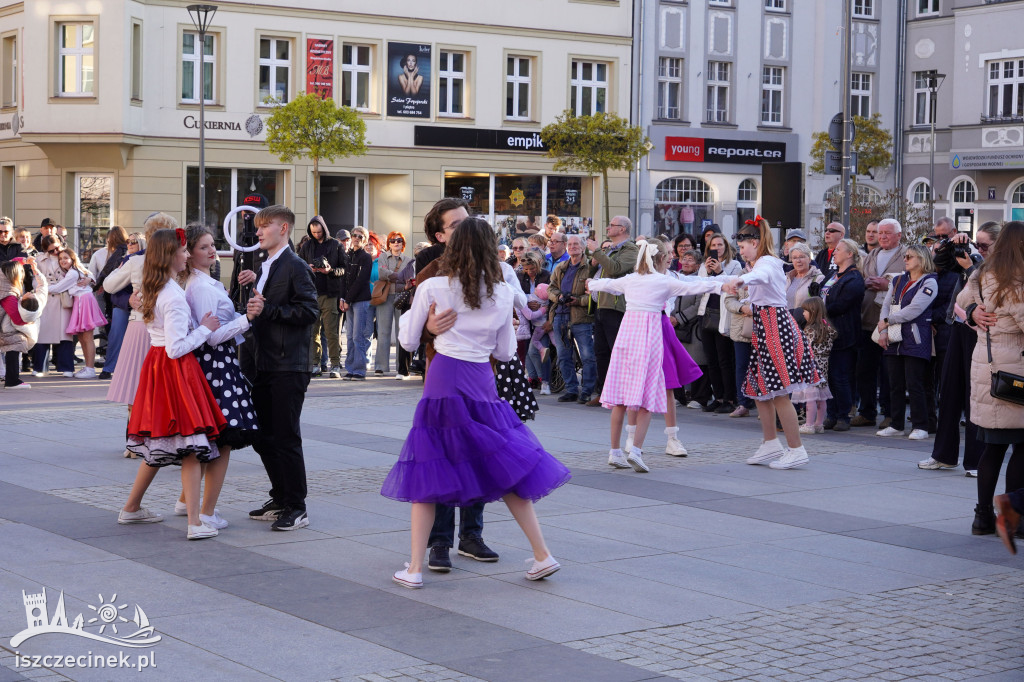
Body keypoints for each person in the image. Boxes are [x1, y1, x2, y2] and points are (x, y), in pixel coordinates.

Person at [382, 217, 570, 589]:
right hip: (484, 383)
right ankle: (542, 554)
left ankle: (416, 568)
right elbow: (504, 350)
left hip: (444, 380)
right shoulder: (502, 292)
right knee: (505, 467)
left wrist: (427, 327)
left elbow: (405, 342)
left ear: (453, 247)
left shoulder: (434, 286)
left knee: (429, 469)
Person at [120, 228, 226, 539]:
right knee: (192, 445)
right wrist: (205, 328)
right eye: (183, 251)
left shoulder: (155, 288)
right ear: (170, 256)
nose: (187, 255)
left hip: (157, 367)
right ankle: (194, 523)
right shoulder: (171, 295)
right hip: (175, 370)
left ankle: (132, 508)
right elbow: (177, 347)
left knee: (160, 441)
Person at [587, 240, 722, 473]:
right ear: (659, 260)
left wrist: (592, 283)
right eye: (667, 255)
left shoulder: (631, 279)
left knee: (620, 398)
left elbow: (606, 284)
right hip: (648, 339)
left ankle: (615, 451)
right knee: (647, 398)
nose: (671, 258)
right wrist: (725, 283)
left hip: (626, 339)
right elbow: (696, 286)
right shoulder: (662, 281)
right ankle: (637, 451)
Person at [237, 205, 319, 531]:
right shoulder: (267, 265)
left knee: (285, 437)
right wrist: (254, 290)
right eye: (257, 227)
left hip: (288, 365)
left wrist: (268, 309)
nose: (258, 232)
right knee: (262, 436)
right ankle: (281, 496)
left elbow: (309, 311)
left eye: (264, 226)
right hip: (264, 363)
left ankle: (296, 506)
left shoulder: (296, 265)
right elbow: (264, 309)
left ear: (283, 228)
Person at [722, 218, 820, 470]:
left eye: (742, 247)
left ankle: (796, 449)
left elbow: (759, 276)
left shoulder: (767, 263)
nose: (740, 251)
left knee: (778, 393)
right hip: (765, 328)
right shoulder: (759, 263)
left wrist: (741, 281)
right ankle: (770, 443)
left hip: (775, 328)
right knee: (760, 389)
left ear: (754, 243)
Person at [183, 224, 260, 529]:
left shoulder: (203, 282)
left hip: (216, 363)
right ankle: (206, 511)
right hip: (215, 364)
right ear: (189, 254)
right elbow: (212, 337)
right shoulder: (200, 286)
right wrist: (247, 319)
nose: (212, 250)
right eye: (204, 247)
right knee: (222, 439)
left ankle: (190, 504)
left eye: (212, 244)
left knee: (213, 437)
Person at [955, 221, 1024, 536]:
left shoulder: (981, 274)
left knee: (992, 448)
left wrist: (971, 314)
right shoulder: (1016, 282)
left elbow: (960, 302)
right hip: (1014, 373)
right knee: (1021, 448)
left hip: (986, 368)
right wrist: (972, 314)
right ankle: (1011, 518)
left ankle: (982, 516)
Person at [920, 222, 998, 473]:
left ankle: (976, 460)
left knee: (974, 394)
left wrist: (972, 266)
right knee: (950, 391)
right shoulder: (971, 256)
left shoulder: (1002, 265)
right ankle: (943, 455)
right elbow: (939, 262)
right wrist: (954, 243)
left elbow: (987, 292)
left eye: (985, 245)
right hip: (958, 326)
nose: (980, 248)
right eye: (978, 243)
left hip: (983, 332)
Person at [105, 214, 177, 412]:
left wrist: (120, 269)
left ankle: (134, 435)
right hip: (169, 328)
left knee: (135, 387)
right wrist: (127, 299)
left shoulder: (136, 261)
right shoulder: (178, 260)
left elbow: (109, 285)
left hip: (141, 324)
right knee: (163, 388)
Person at [875, 245, 939, 441]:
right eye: (905, 256)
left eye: (910, 256)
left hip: (915, 337)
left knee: (915, 383)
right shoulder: (898, 279)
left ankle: (921, 425)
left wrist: (887, 321)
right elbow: (886, 305)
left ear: (922, 258)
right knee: (895, 383)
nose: (906, 259)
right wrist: (884, 329)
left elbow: (915, 309)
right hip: (895, 336)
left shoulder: (929, 282)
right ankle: (896, 424)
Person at [854, 218, 907, 429]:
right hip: (868, 319)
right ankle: (866, 411)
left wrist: (887, 284)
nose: (882, 236)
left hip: (891, 322)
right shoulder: (871, 255)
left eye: (887, 232)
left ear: (899, 236)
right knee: (865, 370)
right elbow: (862, 277)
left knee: (889, 373)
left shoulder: (906, 255)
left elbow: (914, 281)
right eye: (880, 232)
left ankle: (889, 413)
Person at [585, 217, 638, 406]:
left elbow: (615, 269)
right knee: (601, 352)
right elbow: (597, 273)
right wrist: (592, 265)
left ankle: (620, 393)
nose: (608, 227)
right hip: (601, 304)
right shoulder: (610, 249)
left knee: (617, 352)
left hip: (616, 307)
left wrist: (597, 252)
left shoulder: (631, 249)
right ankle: (603, 392)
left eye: (612, 225)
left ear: (622, 229)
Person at [820, 239, 865, 431]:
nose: (834, 252)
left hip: (843, 333)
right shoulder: (833, 274)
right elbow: (819, 293)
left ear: (849, 254)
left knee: (840, 375)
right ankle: (831, 414)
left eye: (838, 249)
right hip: (826, 332)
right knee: (828, 376)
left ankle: (843, 415)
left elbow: (841, 304)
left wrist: (819, 309)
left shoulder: (854, 278)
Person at [696, 233, 743, 414]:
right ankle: (719, 396)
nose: (717, 248)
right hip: (706, 313)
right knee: (712, 359)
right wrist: (708, 272)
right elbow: (701, 285)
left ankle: (730, 398)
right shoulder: (703, 265)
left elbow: (733, 285)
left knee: (725, 359)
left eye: (720, 244)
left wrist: (719, 271)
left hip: (724, 315)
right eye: (713, 245)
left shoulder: (735, 265)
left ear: (726, 247)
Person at [547, 234, 597, 404]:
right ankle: (571, 389)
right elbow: (550, 289)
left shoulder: (590, 266)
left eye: (576, 244)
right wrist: (559, 297)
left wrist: (578, 301)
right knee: (563, 356)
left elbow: (594, 294)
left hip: (581, 318)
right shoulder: (561, 267)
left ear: (583, 247)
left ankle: (587, 391)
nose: (573, 246)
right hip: (560, 316)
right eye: (570, 244)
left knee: (588, 356)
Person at [297, 215, 345, 378]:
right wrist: (308, 268)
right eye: (314, 232)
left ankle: (335, 365)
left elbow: (344, 269)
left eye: (319, 232)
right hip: (311, 294)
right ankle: (315, 364)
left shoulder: (336, 245)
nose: (317, 235)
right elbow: (299, 267)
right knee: (312, 331)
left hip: (330, 294)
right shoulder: (307, 246)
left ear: (324, 229)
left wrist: (329, 271)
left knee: (331, 332)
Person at [54, 248, 107, 379]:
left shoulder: (72, 273)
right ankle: (88, 367)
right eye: (60, 259)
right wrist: (89, 279)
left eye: (65, 258)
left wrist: (41, 287)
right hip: (81, 301)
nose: (62, 261)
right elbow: (92, 275)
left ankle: (90, 368)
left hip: (84, 301)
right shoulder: (76, 270)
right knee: (83, 337)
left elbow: (58, 288)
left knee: (87, 337)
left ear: (72, 258)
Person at [670, 249, 712, 409]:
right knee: (676, 361)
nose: (686, 262)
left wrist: (679, 318)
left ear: (698, 264)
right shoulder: (675, 277)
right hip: (674, 326)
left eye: (690, 259)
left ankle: (700, 397)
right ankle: (677, 395)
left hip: (693, 327)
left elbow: (698, 304)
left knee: (698, 361)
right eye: (684, 259)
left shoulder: (699, 280)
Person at [98, 232, 142, 379]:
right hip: (122, 304)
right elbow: (112, 289)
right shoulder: (122, 260)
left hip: (143, 305)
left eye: (134, 242)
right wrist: (128, 300)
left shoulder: (147, 259)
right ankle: (109, 367)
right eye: (128, 241)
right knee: (116, 330)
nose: (129, 244)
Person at [31, 236, 76, 377]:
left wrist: (88, 279)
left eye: (57, 247)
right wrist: (43, 288)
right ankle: (40, 367)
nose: (56, 252)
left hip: (63, 299)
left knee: (65, 334)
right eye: (52, 250)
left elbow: (82, 271)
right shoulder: (39, 259)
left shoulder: (68, 254)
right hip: (46, 300)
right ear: (45, 250)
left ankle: (66, 366)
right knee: (43, 334)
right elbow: (34, 280)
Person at [793, 297, 837, 434]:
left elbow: (805, 349)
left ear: (812, 311)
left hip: (811, 366)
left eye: (805, 311)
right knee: (821, 397)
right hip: (824, 365)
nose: (803, 314)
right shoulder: (828, 328)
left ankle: (809, 424)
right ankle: (819, 424)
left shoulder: (810, 330)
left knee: (810, 397)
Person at [1, 259, 46, 389]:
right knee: (17, 342)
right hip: (5, 330)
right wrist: (32, 321)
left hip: (4, 328)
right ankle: (12, 381)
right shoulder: (8, 294)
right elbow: (17, 318)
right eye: (21, 273)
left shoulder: (5, 288)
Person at [375, 231, 413, 376]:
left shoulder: (408, 260)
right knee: (383, 331)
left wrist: (392, 275)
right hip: (385, 296)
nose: (396, 243)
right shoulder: (383, 256)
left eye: (399, 240)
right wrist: (400, 277)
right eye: (393, 240)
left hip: (402, 296)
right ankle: (381, 366)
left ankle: (401, 366)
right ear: (388, 243)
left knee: (401, 332)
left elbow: (409, 278)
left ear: (403, 244)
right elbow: (381, 273)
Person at [339, 226, 373, 380]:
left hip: (360, 300)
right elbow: (344, 279)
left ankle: (359, 369)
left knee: (358, 336)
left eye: (360, 237)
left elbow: (361, 281)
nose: (356, 239)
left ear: (365, 240)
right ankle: (351, 368)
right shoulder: (347, 256)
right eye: (354, 235)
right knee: (350, 337)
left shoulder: (365, 257)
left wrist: (348, 299)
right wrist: (342, 298)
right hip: (348, 300)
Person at [517, 251, 552, 394]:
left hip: (542, 320)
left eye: (532, 269)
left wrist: (550, 318)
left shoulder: (546, 275)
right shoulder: (519, 276)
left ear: (538, 265)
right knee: (529, 352)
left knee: (539, 350)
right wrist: (528, 302)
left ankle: (545, 381)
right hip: (528, 319)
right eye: (526, 269)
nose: (530, 272)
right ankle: (534, 378)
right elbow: (517, 294)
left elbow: (552, 298)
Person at [723, 276, 755, 418]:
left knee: (763, 367)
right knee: (741, 366)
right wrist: (743, 308)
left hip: (762, 327)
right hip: (741, 327)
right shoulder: (739, 275)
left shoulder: (766, 272)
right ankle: (743, 403)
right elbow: (729, 300)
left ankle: (765, 403)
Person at [785, 243, 824, 312]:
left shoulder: (818, 278)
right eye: (794, 258)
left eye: (801, 257)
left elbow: (821, 305)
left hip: (807, 322)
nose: (798, 261)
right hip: (788, 321)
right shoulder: (787, 278)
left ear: (809, 259)